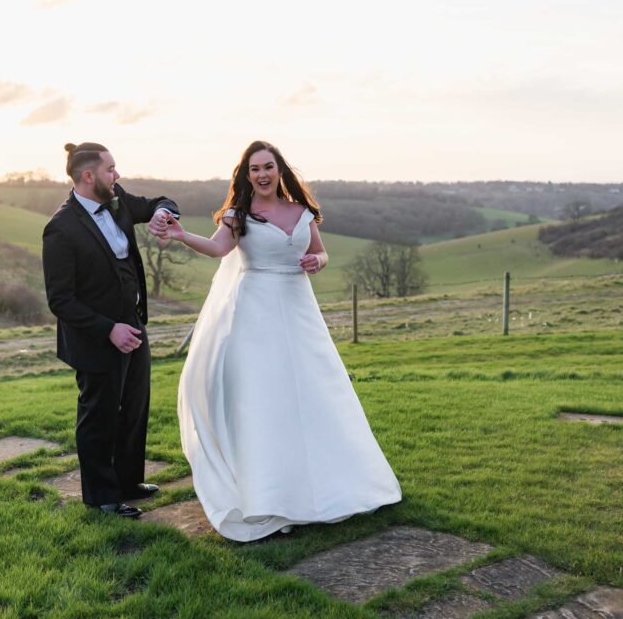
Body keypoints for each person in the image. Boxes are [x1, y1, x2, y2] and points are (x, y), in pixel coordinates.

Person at [155, 140, 401, 541]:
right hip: (255, 314)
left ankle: (334, 484)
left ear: (280, 170)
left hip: (299, 310)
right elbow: (219, 249)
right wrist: (183, 236)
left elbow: (321, 253)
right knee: (265, 400)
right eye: (254, 169)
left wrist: (314, 262)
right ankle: (270, 493)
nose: (262, 175)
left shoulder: (302, 212)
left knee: (315, 392)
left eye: (268, 167)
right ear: (246, 175)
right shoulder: (239, 215)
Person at [42, 142, 180, 518]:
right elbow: (61, 300)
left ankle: (128, 481)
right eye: (111, 169)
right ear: (89, 176)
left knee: (135, 406)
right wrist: (108, 330)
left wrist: (162, 215)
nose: (117, 176)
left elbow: (160, 201)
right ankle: (102, 497)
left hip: (134, 326)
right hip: (97, 339)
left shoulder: (117, 199)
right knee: (99, 415)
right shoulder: (60, 228)